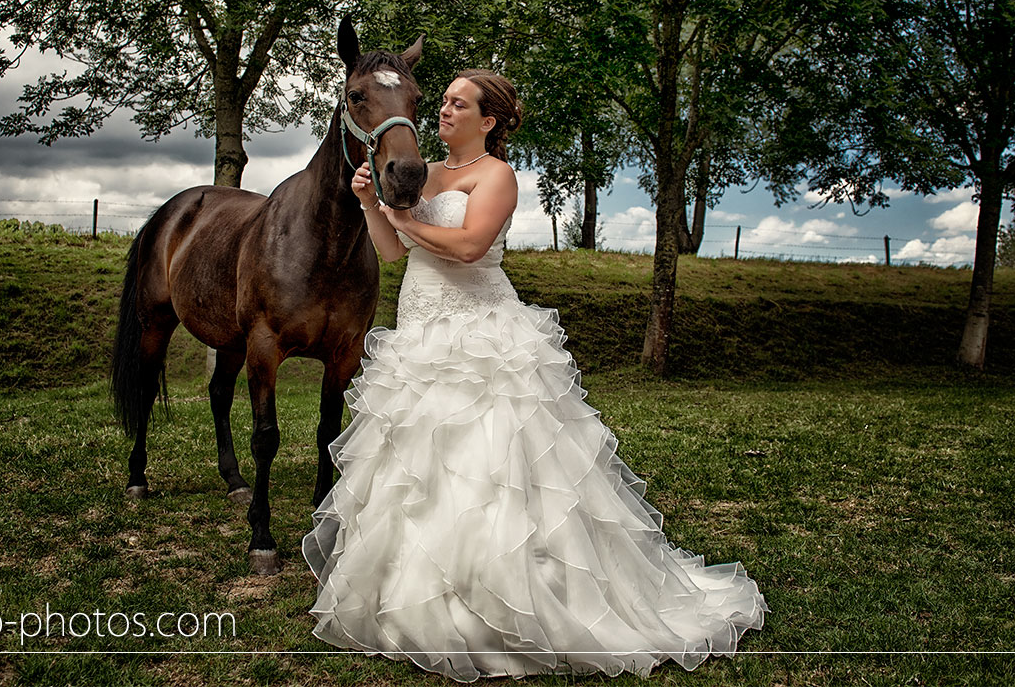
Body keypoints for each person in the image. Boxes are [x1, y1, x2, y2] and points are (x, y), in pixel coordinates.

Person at [302, 69, 767, 681]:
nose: (443, 111)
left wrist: (402, 218)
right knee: (422, 464)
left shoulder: (496, 176)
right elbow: (392, 253)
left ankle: (517, 595)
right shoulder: (428, 174)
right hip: (421, 326)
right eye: (442, 102)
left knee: (496, 466)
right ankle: (428, 591)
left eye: (457, 104)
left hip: (483, 330)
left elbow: (468, 247)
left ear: (487, 121)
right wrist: (370, 203)